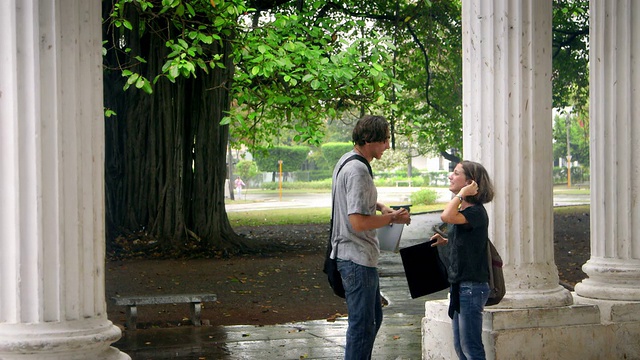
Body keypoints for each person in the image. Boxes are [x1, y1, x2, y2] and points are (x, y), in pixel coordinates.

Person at [330, 115, 411, 360]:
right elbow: (357, 222)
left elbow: (354, 199)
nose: (388, 145)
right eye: (384, 140)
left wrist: (380, 206)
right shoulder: (358, 170)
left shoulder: (347, 160)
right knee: (363, 327)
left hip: (355, 257)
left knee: (372, 319)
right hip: (356, 259)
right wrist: (392, 219)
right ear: (368, 140)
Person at [430, 160, 495, 360]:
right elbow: (469, 241)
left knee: (471, 348)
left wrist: (461, 194)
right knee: (461, 347)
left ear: (470, 183)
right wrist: (447, 241)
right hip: (461, 286)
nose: (450, 176)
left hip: (472, 287)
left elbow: (446, 216)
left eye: (456, 173)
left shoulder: (475, 212)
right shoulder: (466, 214)